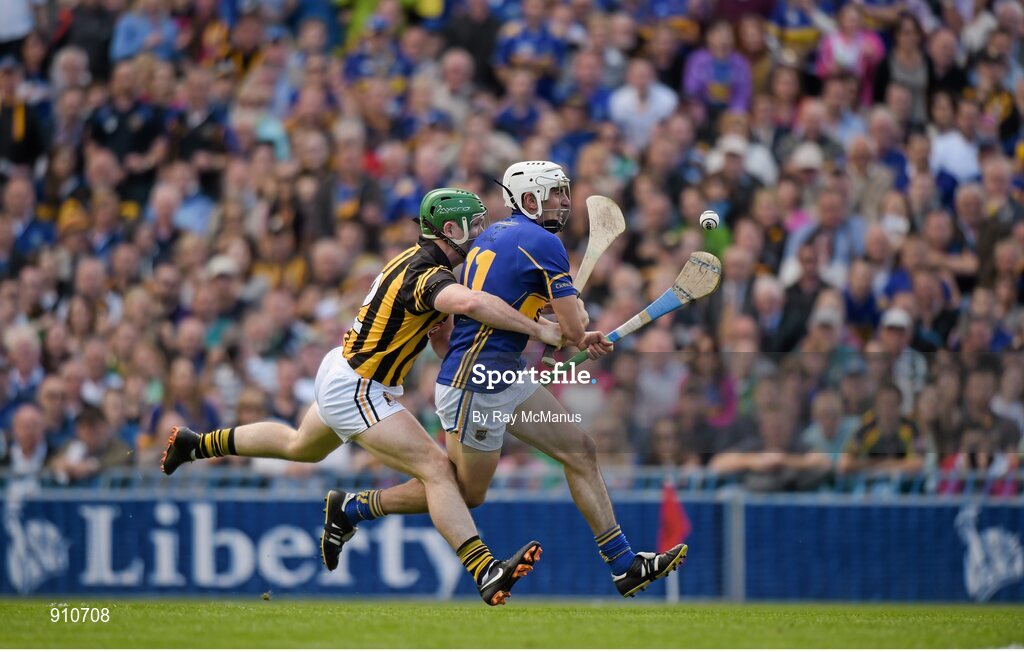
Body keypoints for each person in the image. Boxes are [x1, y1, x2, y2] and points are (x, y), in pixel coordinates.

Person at [159, 188, 562, 606]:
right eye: (474, 225)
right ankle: (485, 570)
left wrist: (520, 336)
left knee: (301, 445)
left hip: (344, 372)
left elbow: (445, 341)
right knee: (438, 471)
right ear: (449, 230)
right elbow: (474, 302)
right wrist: (539, 331)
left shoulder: (423, 265)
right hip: (359, 386)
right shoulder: (428, 274)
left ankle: (196, 444)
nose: (481, 232)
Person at [321, 162, 688, 599]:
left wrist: (567, 328)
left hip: (502, 372)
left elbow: (519, 309)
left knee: (580, 450)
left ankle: (624, 564)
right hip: (475, 383)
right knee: (462, 493)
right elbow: (564, 328)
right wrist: (577, 329)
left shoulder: (493, 235)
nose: (563, 202)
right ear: (527, 199)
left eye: (564, 193)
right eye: (553, 194)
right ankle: (354, 507)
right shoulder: (545, 243)